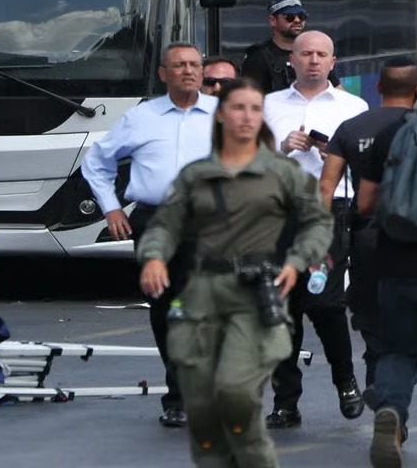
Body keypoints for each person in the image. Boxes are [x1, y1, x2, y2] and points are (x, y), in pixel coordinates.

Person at [138, 78, 333, 468]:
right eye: (239, 108)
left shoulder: (283, 173)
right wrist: (155, 257)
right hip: (203, 293)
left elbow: (317, 223)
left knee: (236, 393)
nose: (247, 117)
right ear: (222, 113)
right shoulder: (196, 174)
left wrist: (297, 261)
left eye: (255, 109)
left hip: (257, 293)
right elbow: (165, 224)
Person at [82, 42, 217, 427]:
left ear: (203, 71)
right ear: (163, 74)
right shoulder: (141, 117)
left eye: (194, 64)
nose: (188, 71)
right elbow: (97, 160)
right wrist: (109, 206)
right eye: (179, 66)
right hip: (155, 220)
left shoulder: (222, 115)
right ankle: (179, 396)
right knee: (165, 308)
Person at [262, 30, 368, 427]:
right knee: (281, 307)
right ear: (291, 57)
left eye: (322, 54)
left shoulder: (352, 105)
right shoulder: (269, 105)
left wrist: (335, 155)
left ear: (332, 62)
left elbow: (369, 162)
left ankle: (345, 379)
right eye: (306, 53)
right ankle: (285, 402)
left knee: (324, 301)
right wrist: (282, 147)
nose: (313, 60)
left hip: (330, 210)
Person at [319, 58, 417, 397]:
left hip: (368, 238)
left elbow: (326, 189)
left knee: (376, 326)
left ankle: (383, 401)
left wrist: (320, 240)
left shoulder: (351, 127)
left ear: (379, 87)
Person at [356, 56, 417, 467]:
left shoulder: (392, 135)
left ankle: (391, 414)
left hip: (401, 265)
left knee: (398, 352)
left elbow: (366, 202)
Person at [242, 0, 340, 93]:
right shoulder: (258, 57)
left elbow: (339, 91)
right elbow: (249, 97)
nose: (297, 20)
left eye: (301, 16)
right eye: (289, 17)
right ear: (273, 20)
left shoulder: (315, 55)